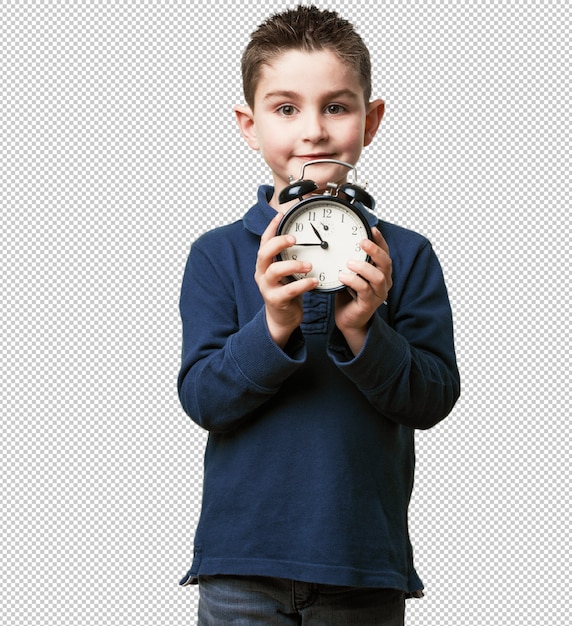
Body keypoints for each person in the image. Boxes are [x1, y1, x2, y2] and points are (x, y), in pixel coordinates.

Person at [177, 5, 460, 625]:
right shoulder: (216, 254)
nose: (313, 131)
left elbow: (434, 398)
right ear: (248, 125)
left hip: (359, 563)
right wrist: (274, 325)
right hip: (242, 563)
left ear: (371, 119)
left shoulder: (406, 256)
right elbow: (203, 399)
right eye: (286, 109)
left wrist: (364, 329)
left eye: (337, 106)